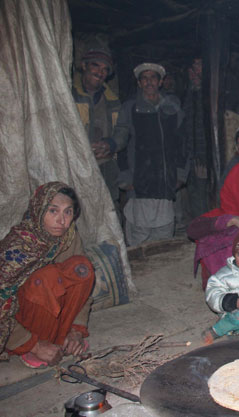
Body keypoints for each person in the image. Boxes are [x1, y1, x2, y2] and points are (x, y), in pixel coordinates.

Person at [0, 182, 94, 368]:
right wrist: (33, 345)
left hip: (56, 319)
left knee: (82, 267)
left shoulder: (68, 237)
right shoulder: (18, 245)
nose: (62, 220)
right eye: (53, 211)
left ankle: (62, 337)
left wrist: (76, 329)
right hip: (21, 324)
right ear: (38, 210)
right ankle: (34, 347)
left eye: (68, 212)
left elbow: (81, 287)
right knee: (45, 278)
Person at [114, 63, 187, 247]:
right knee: (138, 236)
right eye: (144, 78)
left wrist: (181, 174)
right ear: (139, 83)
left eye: (153, 77)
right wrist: (124, 177)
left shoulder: (172, 107)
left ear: (160, 81)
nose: (149, 82)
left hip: (165, 181)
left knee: (163, 239)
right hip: (139, 182)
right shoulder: (130, 108)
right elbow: (121, 141)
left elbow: (182, 142)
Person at [72, 44, 124, 219]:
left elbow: (123, 129)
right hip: (75, 166)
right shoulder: (68, 95)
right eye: (96, 65)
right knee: (77, 211)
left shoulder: (113, 100)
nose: (100, 72)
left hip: (105, 166)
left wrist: (111, 144)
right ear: (84, 65)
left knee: (108, 212)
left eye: (104, 69)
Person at [181, 57, 210, 219]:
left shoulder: (210, 94)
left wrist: (204, 158)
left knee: (204, 194)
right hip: (191, 155)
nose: (195, 72)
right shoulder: (189, 94)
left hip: (205, 156)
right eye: (192, 68)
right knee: (194, 195)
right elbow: (187, 126)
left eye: (199, 66)